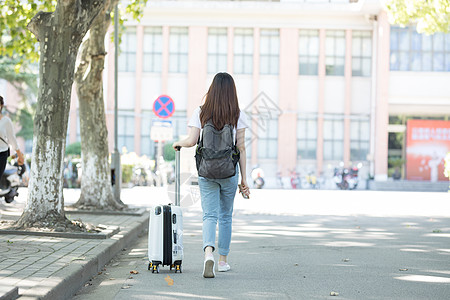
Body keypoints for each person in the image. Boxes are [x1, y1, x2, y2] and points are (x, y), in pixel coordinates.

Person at [173, 72, 250, 278]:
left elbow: (190, 141)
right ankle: (223, 261)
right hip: (229, 172)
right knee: (226, 216)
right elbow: (241, 148)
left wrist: (177, 143)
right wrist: (244, 179)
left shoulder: (201, 112)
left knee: (209, 215)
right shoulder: (237, 114)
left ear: (212, 90)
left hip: (206, 171)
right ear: (232, 91)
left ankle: (209, 254)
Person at [0, 96, 24, 179]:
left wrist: (19, 154)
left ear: (1, 105)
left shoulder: (6, 121)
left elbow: (12, 139)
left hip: (2, 154)